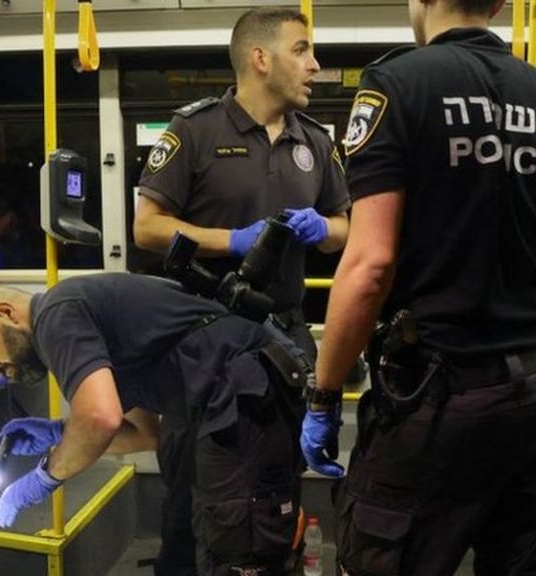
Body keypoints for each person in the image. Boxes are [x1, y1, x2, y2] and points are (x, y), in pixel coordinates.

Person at [299, 0, 536, 574]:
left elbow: (370, 267)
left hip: (432, 402)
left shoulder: (395, 86)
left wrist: (325, 392)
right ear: (503, 4)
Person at [133, 9, 350, 573]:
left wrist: (322, 227)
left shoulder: (316, 143)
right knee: (189, 493)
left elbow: (345, 229)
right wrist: (232, 240)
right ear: (260, 59)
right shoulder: (196, 131)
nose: (314, 64)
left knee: (276, 488)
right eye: (301, 50)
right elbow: (148, 226)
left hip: (281, 338)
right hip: (203, 340)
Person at [0, 273, 309, 576]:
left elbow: (100, 417)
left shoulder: (54, 314)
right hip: (232, 402)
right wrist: (58, 432)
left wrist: (44, 477)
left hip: (243, 396)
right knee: (208, 542)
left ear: (6, 313)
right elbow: (143, 434)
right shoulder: (82, 316)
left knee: (240, 553)